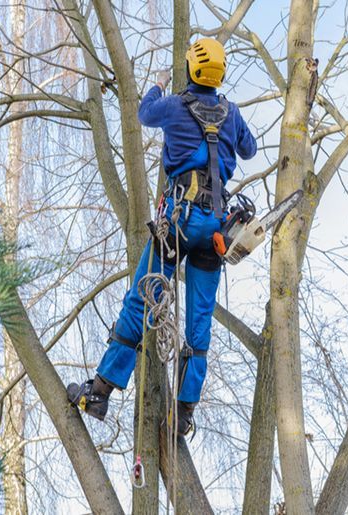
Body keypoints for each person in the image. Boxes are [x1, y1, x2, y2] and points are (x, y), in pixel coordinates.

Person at [67, 38, 257, 436]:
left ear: (190, 70)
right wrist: (230, 128)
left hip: (180, 219)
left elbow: (144, 112)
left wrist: (157, 85)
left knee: (143, 296)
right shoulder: (231, 112)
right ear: (219, 75)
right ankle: (183, 413)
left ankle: (99, 392)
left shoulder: (174, 105)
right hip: (216, 227)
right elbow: (249, 149)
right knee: (200, 320)